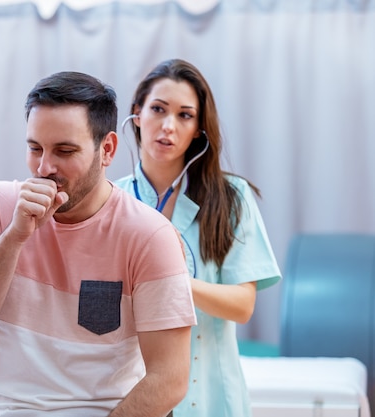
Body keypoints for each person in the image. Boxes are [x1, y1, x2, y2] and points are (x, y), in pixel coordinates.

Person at [0, 71, 197, 417]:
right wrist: (14, 237)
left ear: (106, 149)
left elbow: (169, 379)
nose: (44, 167)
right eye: (35, 148)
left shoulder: (150, 236)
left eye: (64, 151)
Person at [114, 59, 282, 417]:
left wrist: (174, 283)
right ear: (137, 114)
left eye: (185, 115)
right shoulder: (112, 202)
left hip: (209, 398)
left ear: (198, 131)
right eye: (158, 109)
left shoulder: (231, 197)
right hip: (131, 393)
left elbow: (242, 305)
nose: (168, 126)